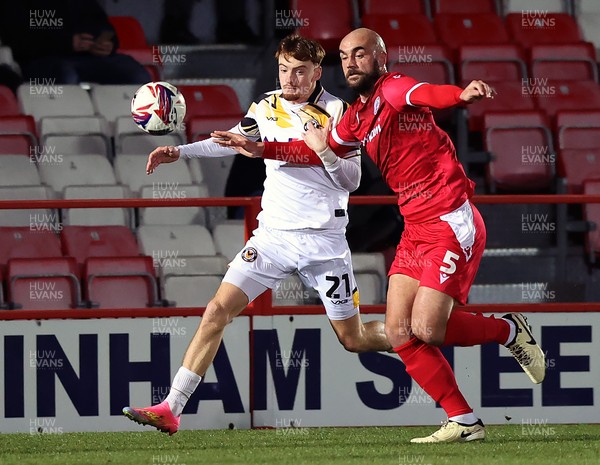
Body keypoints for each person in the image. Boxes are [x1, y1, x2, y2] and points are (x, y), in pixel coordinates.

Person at [218, 28, 547, 443]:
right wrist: (260, 148)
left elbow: (427, 93)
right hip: (415, 228)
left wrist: (459, 95)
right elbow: (316, 151)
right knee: (398, 332)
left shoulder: (393, 89)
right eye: (343, 56)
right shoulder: (357, 114)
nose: (351, 62)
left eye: (360, 54)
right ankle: (463, 420)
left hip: (448, 221)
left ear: (381, 57)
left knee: (428, 329)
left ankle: (508, 331)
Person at [122, 34, 391, 435]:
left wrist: (325, 152)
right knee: (216, 311)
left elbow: (351, 180)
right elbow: (233, 143)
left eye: (300, 71)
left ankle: (413, 329)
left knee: (353, 340)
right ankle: (171, 408)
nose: (290, 78)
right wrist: (181, 152)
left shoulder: (337, 112)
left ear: (317, 72)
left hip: (324, 244)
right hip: (272, 240)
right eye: (284, 69)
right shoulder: (267, 104)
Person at [0, 0, 150, 85]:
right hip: (42, 59)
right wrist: (68, 42)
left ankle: (133, 132)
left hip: (91, 58)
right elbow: (18, 38)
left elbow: (104, 26)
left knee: (136, 74)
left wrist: (107, 43)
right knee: (66, 75)